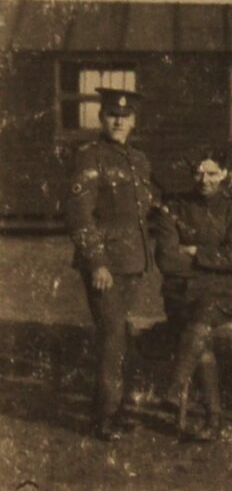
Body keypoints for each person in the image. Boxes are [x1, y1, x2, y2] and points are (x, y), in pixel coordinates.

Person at [65, 88, 157, 441]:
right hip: (106, 267)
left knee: (120, 337)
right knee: (112, 336)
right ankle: (103, 417)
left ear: (134, 121)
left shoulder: (139, 160)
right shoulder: (90, 157)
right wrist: (97, 263)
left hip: (132, 262)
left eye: (125, 116)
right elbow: (80, 216)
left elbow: (144, 208)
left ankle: (116, 409)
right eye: (112, 116)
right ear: (101, 118)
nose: (119, 122)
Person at [154, 148, 232, 441]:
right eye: (198, 173)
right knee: (201, 339)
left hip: (225, 292)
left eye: (212, 173)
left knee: (200, 321)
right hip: (182, 290)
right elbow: (167, 259)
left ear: (225, 174)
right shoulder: (174, 207)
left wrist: (195, 251)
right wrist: (211, 259)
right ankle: (213, 417)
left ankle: (174, 386)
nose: (204, 180)